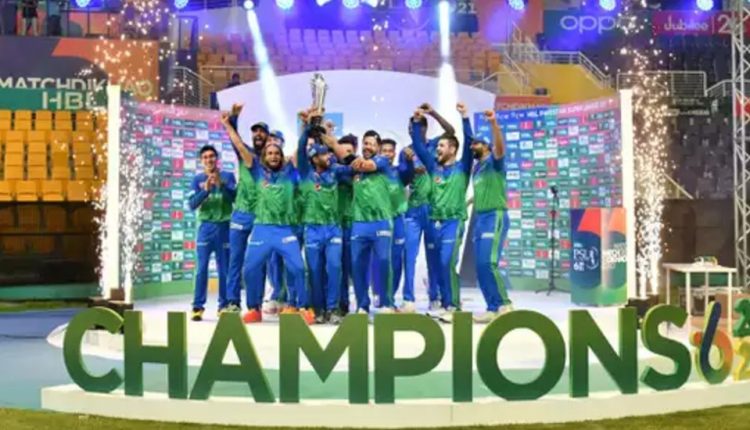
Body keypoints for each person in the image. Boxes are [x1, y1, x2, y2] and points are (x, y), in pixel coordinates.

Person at [224, 121, 314, 325]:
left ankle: (302, 307)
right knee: (249, 269)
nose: (273, 156)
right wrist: (228, 125)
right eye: (270, 153)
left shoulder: (289, 173)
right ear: (264, 157)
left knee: (298, 268)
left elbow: (301, 149)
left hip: (284, 230)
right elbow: (240, 147)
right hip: (261, 229)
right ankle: (254, 309)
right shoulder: (256, 172)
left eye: (276, 153)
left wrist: (306, 127)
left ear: (281, 156)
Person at [409, 103, 473, 322]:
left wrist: (464, 117)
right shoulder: (433, 167)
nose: (437, 149)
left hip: (454, 221)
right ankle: (447, 304)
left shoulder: (463, 167)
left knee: (447, 262)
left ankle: (454, 306)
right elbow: (419, 146)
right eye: (437, 146)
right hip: (435, 222)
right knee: (439, 265)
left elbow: (469, 141)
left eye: (442, 146)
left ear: (453, 149)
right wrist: (416, 121)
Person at [321, 129, 395, 313]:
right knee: (357, 266)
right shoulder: (354, 170)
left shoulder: (382, 161)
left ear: (378, 147)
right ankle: (362, 305)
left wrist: (334, 144)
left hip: (381, 221)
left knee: (383, 261)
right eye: (365, 143)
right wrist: (324, 136)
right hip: (359, 223)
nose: (367, 147)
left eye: (371, 144)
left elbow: (363, 165)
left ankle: (386, 303)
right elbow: (340, 167)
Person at [297, 110, 353, 324]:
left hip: (333, 228)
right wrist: (306, 128)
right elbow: (301, 148)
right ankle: (317, 308)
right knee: (314, 271)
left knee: (335, 268)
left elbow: (351, 166)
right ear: (314, 158)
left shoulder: (335, 171)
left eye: (329, 154)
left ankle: (333, 308)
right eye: (324, 155)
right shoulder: (305, 173)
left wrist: (329, 136)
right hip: (312, 229)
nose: (329, 157)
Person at [400, 103, 455, 312]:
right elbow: (403, 180)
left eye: (415, 128)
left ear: (424, 129)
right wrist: (410, 167)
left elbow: (451, 131)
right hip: (413, 211)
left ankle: (435, 296)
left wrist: (432, 113)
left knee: (434, 256)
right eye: (410, 128)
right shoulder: (406, 151)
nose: (412, 131)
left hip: (432, 210)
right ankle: (408, 299)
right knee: (409, 256)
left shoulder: (434, 146)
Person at [469, 109, 513, 322]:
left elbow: (500, 148)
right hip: (480, 219)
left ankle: (504, 304)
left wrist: (494, 124)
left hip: (495, 216)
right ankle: (492, 307)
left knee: (489, 263)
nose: (472, 147)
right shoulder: (477, 168)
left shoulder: (494, 162)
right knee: (480, 266)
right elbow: (482, 192)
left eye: (476, 143)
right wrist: (467, 203)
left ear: (486, 146)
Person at [188, 145, 237, 322]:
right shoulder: (197, 179)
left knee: (224, 270)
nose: (209, 160)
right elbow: (192, 204)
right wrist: (206, 191)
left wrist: (221, 186)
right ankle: (197, 307)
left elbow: (235, 198)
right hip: (206, 228)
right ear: (201, 161)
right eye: (205, 157)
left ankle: (223, 305)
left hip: (224, 227)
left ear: (217, 159)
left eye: (212, 156)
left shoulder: (228, 176)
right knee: (201, 269)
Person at [220, 104, 260, 315]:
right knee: (235, 261)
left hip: (260, 217)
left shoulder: (270, 161)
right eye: (255, 132)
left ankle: (255, 305)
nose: (258, 135)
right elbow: (235, 141)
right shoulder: (245, 154)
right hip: (240, 215)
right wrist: (232, 120)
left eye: (262, 132)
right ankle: (232, 302)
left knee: (255, 263)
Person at [370, 138, 414, 311]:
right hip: (379, 221)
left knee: (396, 261)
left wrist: (409, 162)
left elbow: (408, 173)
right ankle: (379, 294)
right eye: (384, 151)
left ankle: (390, 298)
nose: (387, 154)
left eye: (390, 151)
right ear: (379, 152)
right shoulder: (372, 172)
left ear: (394, 154)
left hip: (397, 221)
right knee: (380, 259)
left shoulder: (399, 172)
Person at [335, 134, 357, 314]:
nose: (344, 155)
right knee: (338, 267)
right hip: (334, 225)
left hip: (352, 224)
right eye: (341, 151)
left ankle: (362, 305)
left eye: (348, 152)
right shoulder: (331, 172)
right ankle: (342, 304)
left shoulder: (359, 171)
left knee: (353, 266)